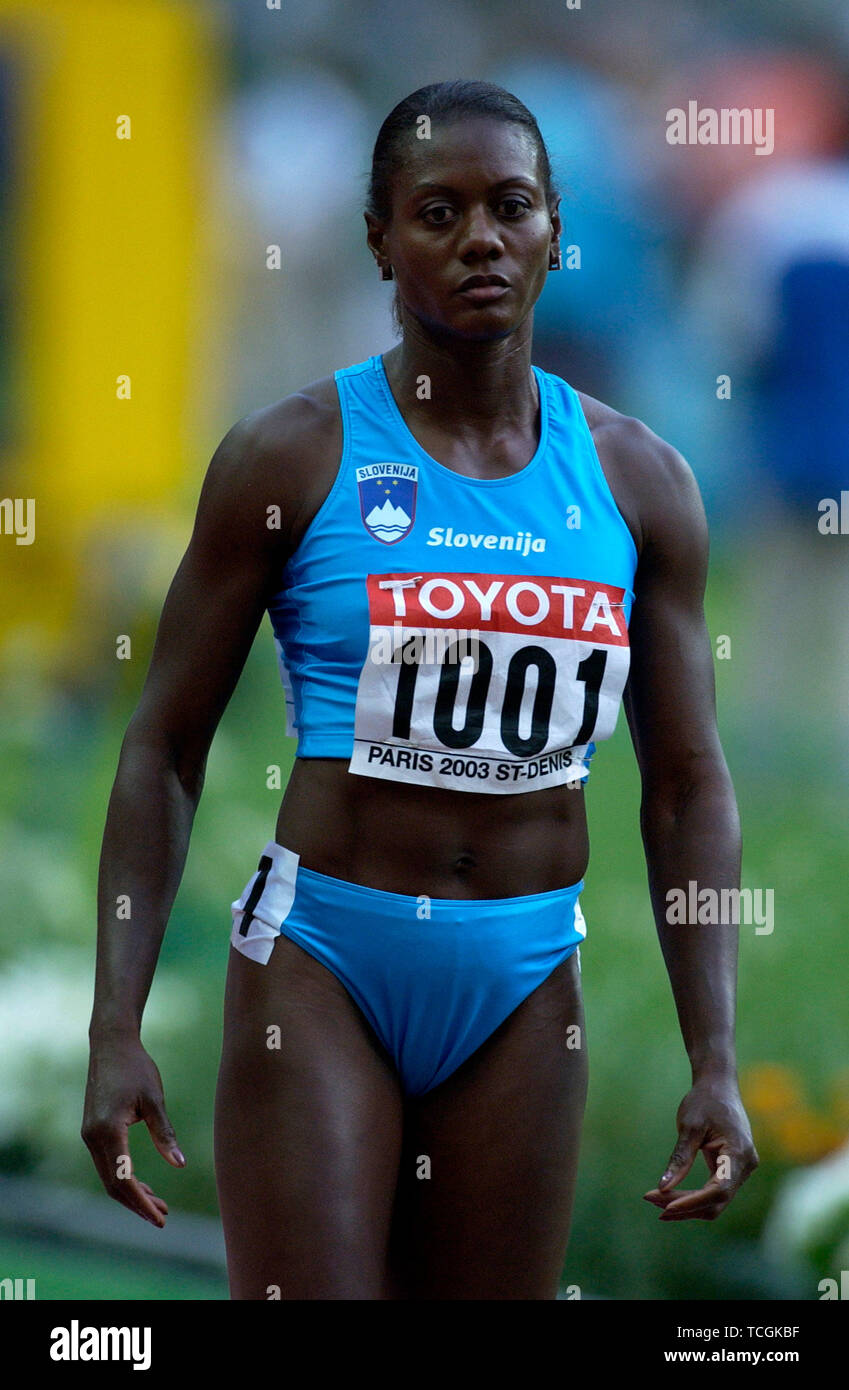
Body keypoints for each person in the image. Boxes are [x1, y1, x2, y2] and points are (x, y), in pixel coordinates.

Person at [82, 79, 758, 1301]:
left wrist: (717, 1055)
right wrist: (113, 1025)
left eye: (510, 207)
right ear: (380, 239)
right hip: (328, 961)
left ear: (557, 226)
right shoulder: (289, 455)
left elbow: (690, 781)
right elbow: (161, 748)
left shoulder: (642, 483)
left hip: (523, 975)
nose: (479, 240)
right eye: (437, 212)